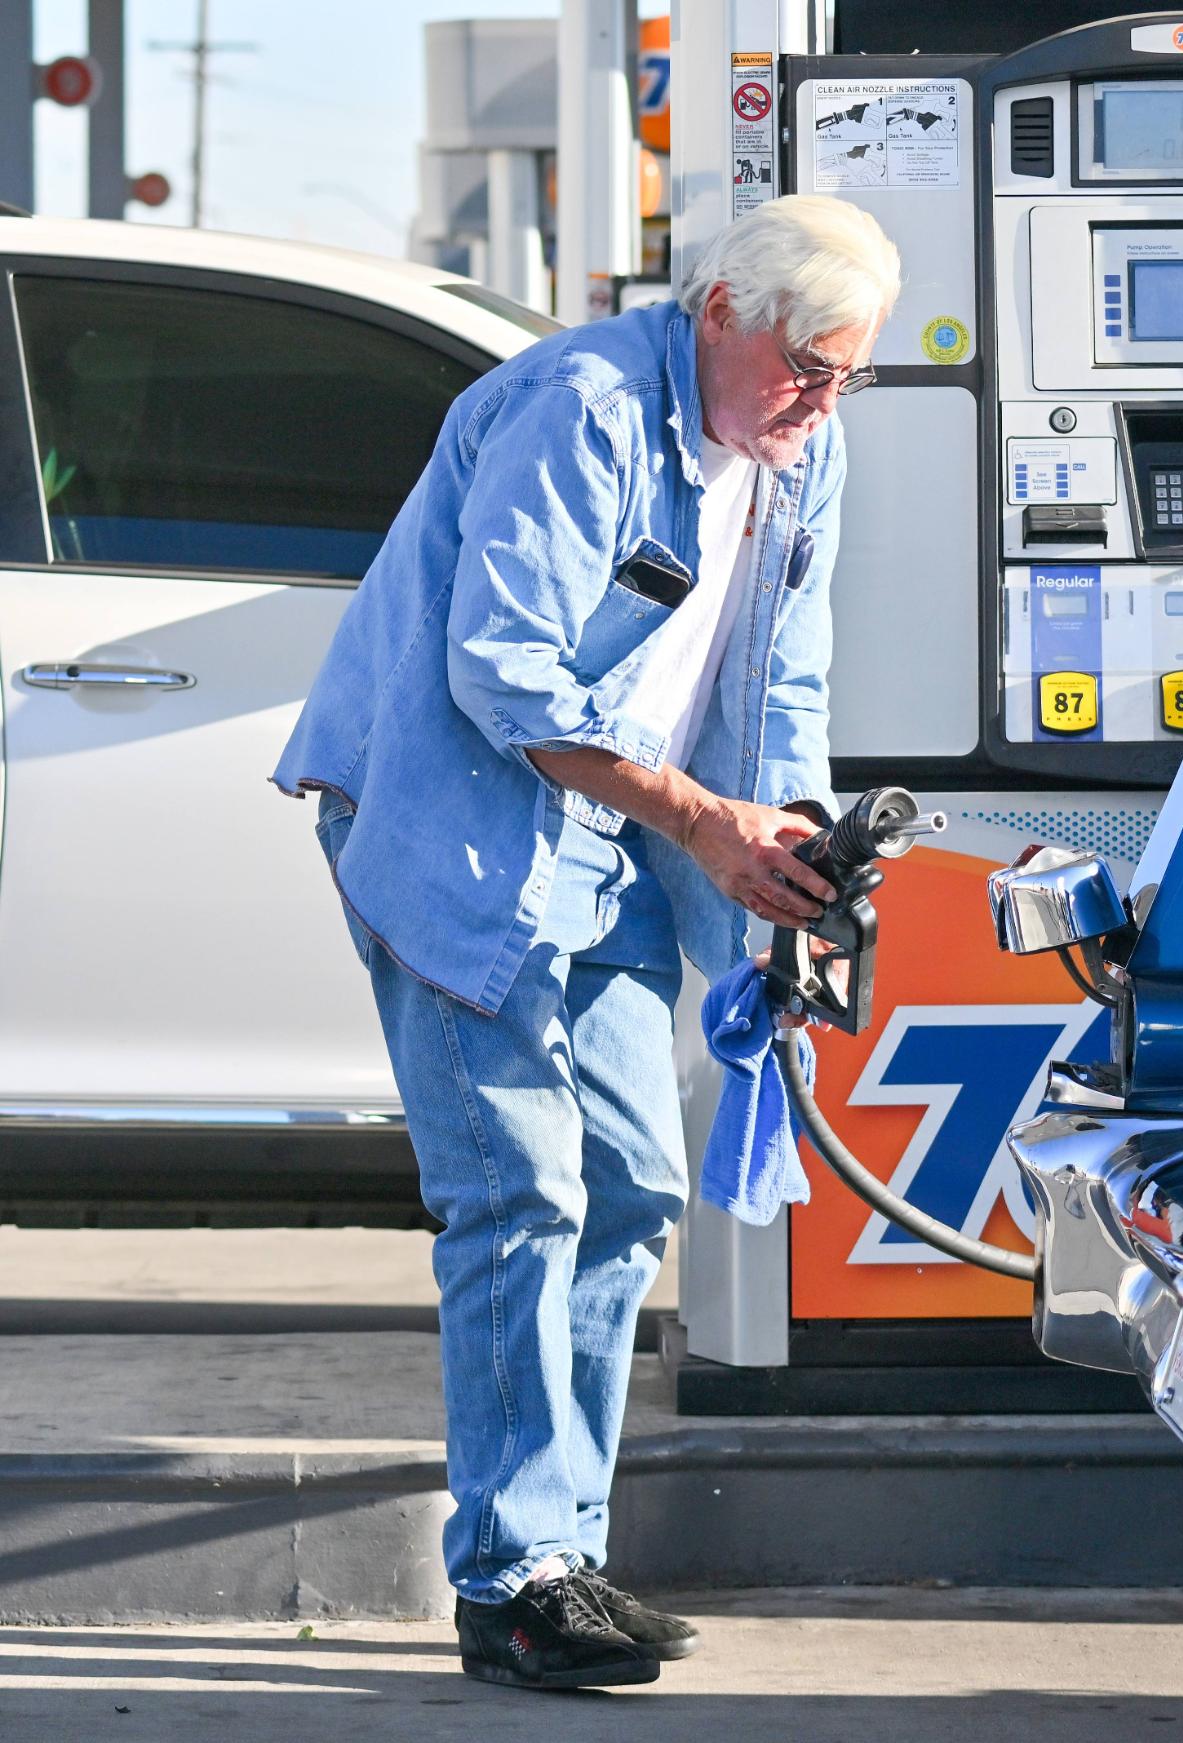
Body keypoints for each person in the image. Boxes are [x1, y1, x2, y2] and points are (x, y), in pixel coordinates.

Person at [271, 194, 900, 1690]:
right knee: (520, 1193)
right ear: (722, 314)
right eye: (808, 364)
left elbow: (784, 679)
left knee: (632, 1181)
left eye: (849, 375)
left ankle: (561, 1549)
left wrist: (790, 841)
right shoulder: (585, 406)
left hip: (621, 840)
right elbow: (503, 673)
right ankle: (509, 1579)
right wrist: (703, 823)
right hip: (458, 824)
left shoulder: (798, 452)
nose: (820, 401)